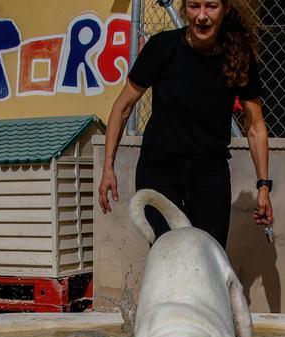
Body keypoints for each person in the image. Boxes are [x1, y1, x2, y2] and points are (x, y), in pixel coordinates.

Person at [99, 0, 273, 248]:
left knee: (208, 256)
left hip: (209, 173)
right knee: (168, 252)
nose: (202, 16)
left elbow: (255, 126)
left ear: (225, 9)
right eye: (194, 6)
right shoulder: (162, 47)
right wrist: (108, 168)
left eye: (211, 6)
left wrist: (263, 186)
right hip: (160, 170)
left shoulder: (238, 57)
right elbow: (122, 107)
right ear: (184, 9)